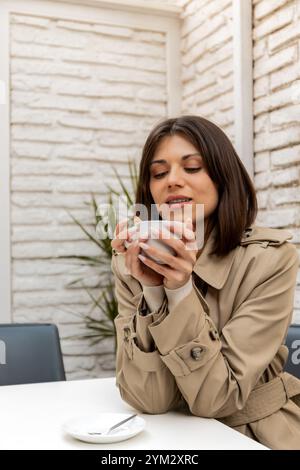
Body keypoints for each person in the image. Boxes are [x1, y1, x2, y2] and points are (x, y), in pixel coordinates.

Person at [110, 115, 300, 450]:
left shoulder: (272, 259)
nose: (173, 181)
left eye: (192, 167)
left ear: (223, 177)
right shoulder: (130, 263)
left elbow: (217, 398)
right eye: (159, 173)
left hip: (255, 434)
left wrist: (180, 291)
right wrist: (153, 290)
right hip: (168, 437)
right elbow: (149, 400)